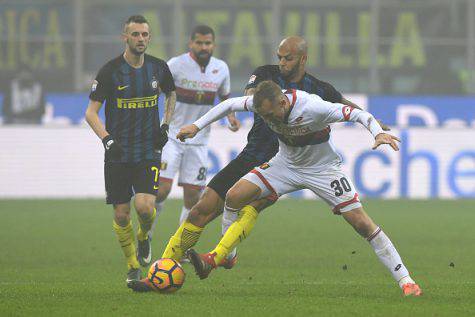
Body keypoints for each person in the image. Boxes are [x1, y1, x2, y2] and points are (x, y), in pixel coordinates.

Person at [127, 36, 390, 293]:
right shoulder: (265, 74)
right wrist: (205, 122)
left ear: (302, 59)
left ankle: (221, 256)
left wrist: (377, 125)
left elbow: (345, 106)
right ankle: (162, 270)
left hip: (284, 163)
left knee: (250, 204)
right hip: (252, 154)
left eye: (288, 58)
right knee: (201, 209)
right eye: (280, 57)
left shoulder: (320, 89)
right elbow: (249, 96)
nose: (282, 63)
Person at [180, 81, 422, 297]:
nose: (267, 119)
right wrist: (196, 126)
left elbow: (357, 114)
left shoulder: (313, 108)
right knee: (234, 195)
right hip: (285, 164)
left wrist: (378, 133)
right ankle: (227, 256)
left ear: (283, 102)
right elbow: (230, 104)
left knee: (360, 222)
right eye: (263, 115)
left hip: (323, 169)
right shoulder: (264, 105)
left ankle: (406, 280)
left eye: (270, 114)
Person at [85, 15, 176, 285]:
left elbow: (171, 94)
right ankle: (132, 266)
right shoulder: (110, 71)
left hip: (149, 148)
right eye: (135, 34)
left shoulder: (159, 68)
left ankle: (144, 236)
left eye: (145, 35)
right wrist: (106, 139)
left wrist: (165, 124)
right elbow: (91, 113)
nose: (141, 39)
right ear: (125, 37)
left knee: (146, 207)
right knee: (121, 213)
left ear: (149, 37)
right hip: (118, 152)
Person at [151, 25, 239, 233]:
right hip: (171, 136)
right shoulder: (175, 65)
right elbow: (156, 92)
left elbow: (225, 97)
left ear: (213, 45)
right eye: (199, 42)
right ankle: (147, 233)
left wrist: (231, 117)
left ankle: (178, 247)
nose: (203, 47)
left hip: (199, 141)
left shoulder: (221, 68)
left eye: (207, 43)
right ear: (191, 43)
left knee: (193, 198)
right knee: (161, 190)